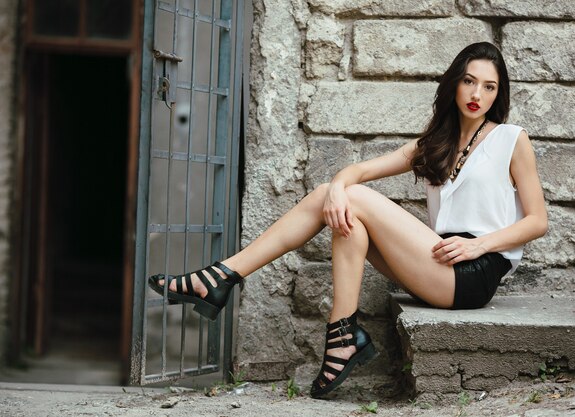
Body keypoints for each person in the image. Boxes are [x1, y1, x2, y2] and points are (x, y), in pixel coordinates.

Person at [148, 41, 548, 398]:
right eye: (468, 81)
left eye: (489, 86)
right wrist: (336, 186)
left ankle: (219, 279)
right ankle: (341, 337)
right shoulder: (435, 144)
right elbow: (355, 173)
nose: (477, 94)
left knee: (345, 199)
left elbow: (537, 221)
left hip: (473, 270)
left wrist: (478, 244)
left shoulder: (512, 139)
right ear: (454, 85)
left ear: (498, 94)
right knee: (344, 215)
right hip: (439, 262)